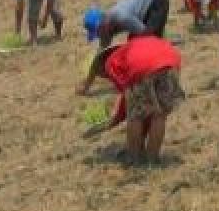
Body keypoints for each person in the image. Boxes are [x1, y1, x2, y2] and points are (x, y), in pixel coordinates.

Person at [78, 35, 185, 163]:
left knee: (135, 116)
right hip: (170, 61)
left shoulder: (110, 62)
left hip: (141, 67)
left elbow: (128, 100)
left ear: (101, 65)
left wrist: (115, 120)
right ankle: (152, 158)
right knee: (159, 115)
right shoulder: (134, 46)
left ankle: (134, 158)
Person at [97, 0, 170, 48]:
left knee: (148, 40)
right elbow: (104, 42)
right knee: (134, 42)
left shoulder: (122, 17)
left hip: (157, 1)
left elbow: (145, 33)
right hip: (146, 6)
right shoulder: (108, 20)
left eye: (99, 32)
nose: (100, 35)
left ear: (104, 25)